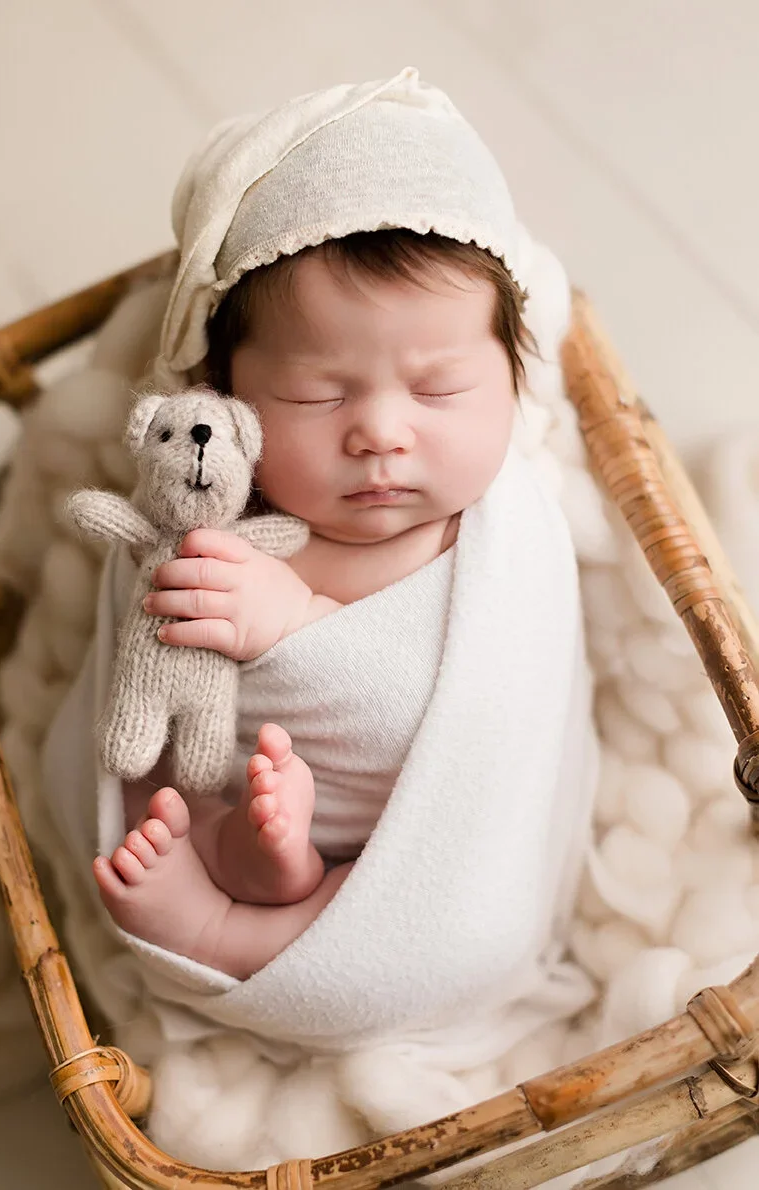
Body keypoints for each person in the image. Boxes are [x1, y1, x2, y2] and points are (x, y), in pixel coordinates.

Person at [89, 67, 590, 983]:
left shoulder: (499, 548)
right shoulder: (222, 502)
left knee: (451, 934)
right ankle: (250, 864)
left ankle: (228, 932)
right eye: (318, 395)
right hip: (247, 782)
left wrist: (293, 629)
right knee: (169, 803)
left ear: (513, 380)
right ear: (227, 395)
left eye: (440, 389)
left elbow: (482, 720)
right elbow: (147, 660)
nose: (382, 434)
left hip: (421, 839)